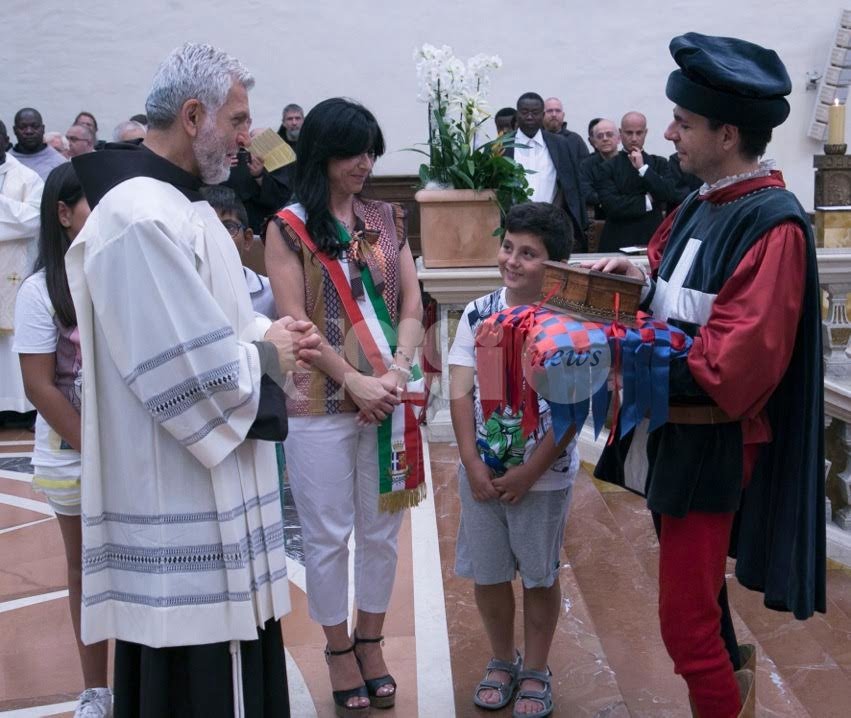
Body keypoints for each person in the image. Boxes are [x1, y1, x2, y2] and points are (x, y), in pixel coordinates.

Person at [65, 42, 321, 717]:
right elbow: (183, 372)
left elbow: (213, 323)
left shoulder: (186, 207)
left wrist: (269, 334)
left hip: (215, 495)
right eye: (238, 120)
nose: (248, 137)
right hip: (177, 504)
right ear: (192, 115)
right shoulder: (137, 217)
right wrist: (266, 354)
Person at [591, 32, 825, 718]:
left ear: (727, 134)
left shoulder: (771, 224)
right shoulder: (703, 200)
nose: (669, 134)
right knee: (702, 604)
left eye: (683, 122)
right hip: (678, 432)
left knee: (685, 626)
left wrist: (614, 350)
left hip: (714, 440)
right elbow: (677, 287)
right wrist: (636, 276)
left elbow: (732, 367)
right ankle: (734, 688)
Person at [265, 97, 424, 717]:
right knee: (327, 534)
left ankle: (371, 641)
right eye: (353, 152)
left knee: (382, 532)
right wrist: (354, 381)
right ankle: (337, 649)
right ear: (322, 154)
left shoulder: (386, 217)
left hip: (388, 394)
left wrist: (397, 372)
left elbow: (411, 304)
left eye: (371, 152)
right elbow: (295, 324)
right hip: (318, 401)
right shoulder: (288, 227)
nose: (365, 163)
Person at [448, 201, 579, 718]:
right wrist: (470, 461)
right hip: (482, 471)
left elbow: (572, 409)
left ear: (554, 264)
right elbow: (460, 390)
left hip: (541, 477)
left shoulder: (568, 322)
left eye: (529, 253)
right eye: (508, 247)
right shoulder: (478, 313)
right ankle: (502, 659)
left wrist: (530, 471)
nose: (513, 260)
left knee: (540, 575)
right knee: (489, 573)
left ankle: (537, 668)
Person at [13, 163, 111, 718]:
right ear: (63, 214)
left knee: (138, 563)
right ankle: (96, 688)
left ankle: (146, 682)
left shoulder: (116, 272)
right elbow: (39, 386)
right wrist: (95, 451)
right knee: (86, 567)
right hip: (74, 452)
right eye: (93, 203)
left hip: (126, 448)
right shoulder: (40, 290)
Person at [501, 92, 587, 250]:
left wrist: (555, 214)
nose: (529, 117)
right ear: (517, 114)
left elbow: (569, 184)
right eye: (524, 112)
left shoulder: (560, 144)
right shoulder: (502, 145)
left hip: (551, 224)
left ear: (543, 115)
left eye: (535, 112)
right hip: (513, 224)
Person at [0, 119, 43, 420]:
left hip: (15, 273)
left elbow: (32, 220)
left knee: (14, 339)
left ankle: (20, 408)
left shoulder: (28, 178)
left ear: (6, 140)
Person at [592, 111, 679, 251]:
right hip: (617, 240)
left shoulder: (659, 163)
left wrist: (643, 168)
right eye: (629, 133)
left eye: (639, 133)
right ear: (620, 133)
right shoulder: (607, 167)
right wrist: (648, 200)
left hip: (652, 239)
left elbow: (668, 194)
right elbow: (612, 206)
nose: (634, 138)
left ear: (645, 133)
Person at [201, 184, 277, 319]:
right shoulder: (184, 291)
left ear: (247, 239)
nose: (217, 236)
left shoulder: (271, 293)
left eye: (228, 227)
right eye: (206, 227)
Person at [9, 108, 67, 179]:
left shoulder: (60, 164)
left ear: (43, 129)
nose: (29, 131)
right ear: (14, 130)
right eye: (23, 127)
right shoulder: (5, 160)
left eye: (35, 126)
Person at [580, 117, 620, 221]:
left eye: (609, 134)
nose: (605, 139)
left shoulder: (630, 160)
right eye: (600, 136)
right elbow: (586, 193)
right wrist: (613, 200)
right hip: (601, 217)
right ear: (594, 142)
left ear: (619, 138)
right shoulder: (587, 165)